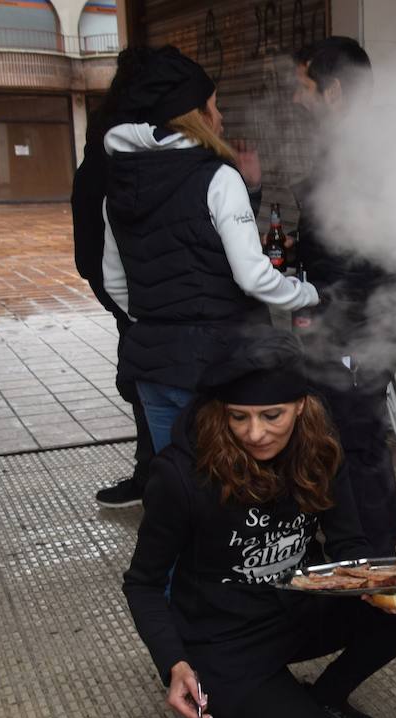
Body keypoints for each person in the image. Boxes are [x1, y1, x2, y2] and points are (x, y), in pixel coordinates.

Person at [122, 330, 396, 718]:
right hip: (224, 636)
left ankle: (326, 695)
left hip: (299, 607)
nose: (255, 433)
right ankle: (237, 708)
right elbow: (143, 583)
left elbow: (348, 543)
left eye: (273, 415)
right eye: (238, 417)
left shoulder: (320, 449)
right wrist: (173, 661)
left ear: (302, 406)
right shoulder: (179, 475)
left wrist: (376, 581)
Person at [101, 46, 318, 452]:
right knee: (225, 490)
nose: (220, 119)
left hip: (151, 362)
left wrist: (158, 315)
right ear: (193, 115)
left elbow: (115, 282)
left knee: (176, 485)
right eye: (213, 107)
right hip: (217, 365)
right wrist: (307, 293)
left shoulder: (119, 185)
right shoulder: (218, 178)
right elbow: (253, 277)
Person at [289, 37, 396, 556]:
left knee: (358, 441)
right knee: (345, 435)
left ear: (334, 91)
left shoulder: (362, 148)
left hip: (360, 324)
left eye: (306, 88)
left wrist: (322, 312)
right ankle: (354, 544)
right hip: (362, 316)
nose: (299, 100)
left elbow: (365, 248)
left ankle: (374, 557)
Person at [71, 46, 154, 508]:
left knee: (147, 386)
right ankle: (159, 480)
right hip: (146, 295)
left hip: (129, 292)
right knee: (154, 389)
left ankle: (156, 478)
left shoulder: (105, 134)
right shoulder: (134, 145)